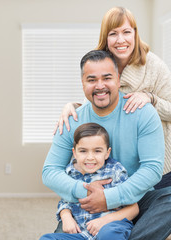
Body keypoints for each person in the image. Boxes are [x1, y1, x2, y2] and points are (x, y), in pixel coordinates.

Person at [42, 49, 171, 240]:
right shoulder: (73, 118)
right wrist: (87, 192)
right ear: (83, 83)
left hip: (136, 199)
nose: (99, 85)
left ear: (118, 79)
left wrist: (110, 198)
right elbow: (50, 171)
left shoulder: (143, 112)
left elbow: (152, 169)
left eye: (107, 78)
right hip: (87, 202)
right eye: (91, 79)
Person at [54, 7, 171, 187]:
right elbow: (95, 101)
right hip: (114, 161)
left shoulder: (154, 66)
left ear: (135, 34)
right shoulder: (100, 63)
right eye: (113, 33)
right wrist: (72, 106)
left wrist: (151, 98)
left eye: (126, 32)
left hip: (157, 160)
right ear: (105, 38)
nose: (120, 40)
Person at [40, 123, 138, 240]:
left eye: (97, 151)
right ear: (75, 153)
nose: (90, 157)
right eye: (83, 151)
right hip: (82, 233)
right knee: (46, 238)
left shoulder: (115, 170)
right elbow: (65, 201)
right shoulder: (70, 172)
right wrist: (66, 217)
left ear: (107, 153)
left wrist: (104, 221)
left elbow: (133, 208)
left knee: (109, 234)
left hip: (111, 226)